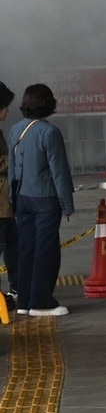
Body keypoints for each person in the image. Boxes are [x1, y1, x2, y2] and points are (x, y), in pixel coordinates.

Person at [7, 83, 76, 317]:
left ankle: (24, 302)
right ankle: (42, 302)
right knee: (46, 251)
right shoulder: (50, 132)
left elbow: (12, 169)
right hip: (45, 201)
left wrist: (12, 198)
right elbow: (59, 172)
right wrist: (67, 203)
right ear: (48, 104)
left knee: (26, 249)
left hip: (22, 199)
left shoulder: (15, 129)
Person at [0, 81, 17, 301]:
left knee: (13, 245)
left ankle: (16, 289)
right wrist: (15, 157)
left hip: (5, 203)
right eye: (4, 105)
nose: (7, 110)